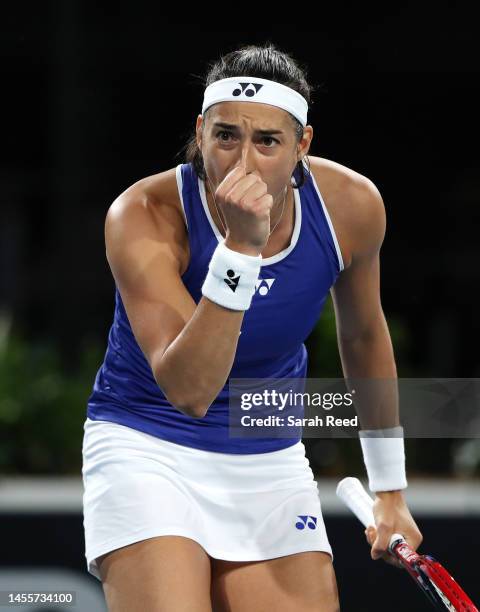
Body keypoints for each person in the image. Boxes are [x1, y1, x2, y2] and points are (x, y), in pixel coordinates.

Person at [82, 44, 423, 611]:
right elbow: (190, 391)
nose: (243, 163)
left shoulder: (352, 207)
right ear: (199, 132)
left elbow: (363, 337)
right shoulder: (141, 215)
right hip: (147, 445)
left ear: (302, 145)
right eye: (225, 137)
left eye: (267, 141)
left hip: (265, 447)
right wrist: (241, 247)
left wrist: (390, 490)